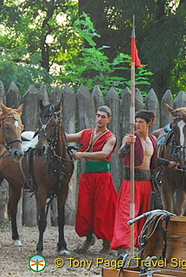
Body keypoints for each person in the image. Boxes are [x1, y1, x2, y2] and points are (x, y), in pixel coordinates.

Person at [110, 110, 177, 256]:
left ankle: (143, 243)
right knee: (127, 214)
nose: (137, 124)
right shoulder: (130, 138)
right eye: (136, 121)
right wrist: (128, 145)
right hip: (132, 182)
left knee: (147, 213)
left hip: (147, 182)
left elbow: (154, 160)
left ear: (148, 124)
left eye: (141, 122)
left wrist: (169, 163)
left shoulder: (152, 140)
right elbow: (120, 155)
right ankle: (123, 247)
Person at [66, 106, 117, 254]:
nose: (100, 119)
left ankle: (107, 244)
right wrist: (52, 127)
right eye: (98, 115)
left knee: (104, 210)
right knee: (84, 208)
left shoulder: (111, 137)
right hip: (87, 176)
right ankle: (89, 239)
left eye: (103, 116)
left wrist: (82, 155)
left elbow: (104, 154)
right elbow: (67, 137)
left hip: (102, 178)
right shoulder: (86, 133)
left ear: (109, 119)